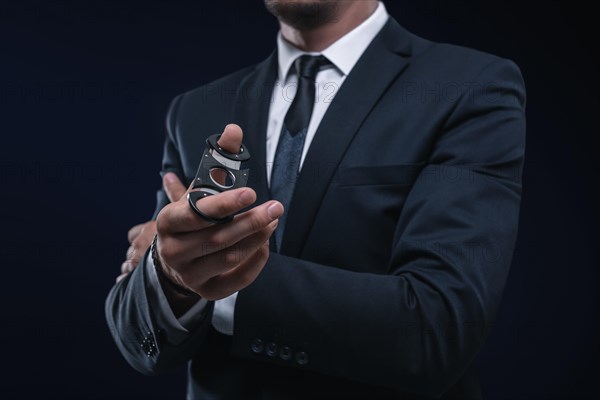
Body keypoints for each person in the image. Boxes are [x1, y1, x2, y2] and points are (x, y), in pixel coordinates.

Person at [105, 1, 526, 399]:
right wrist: (168, 275)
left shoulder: (470, 87)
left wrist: (211, 277)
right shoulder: (195, 109)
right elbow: (139, 341)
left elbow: (436, 330)